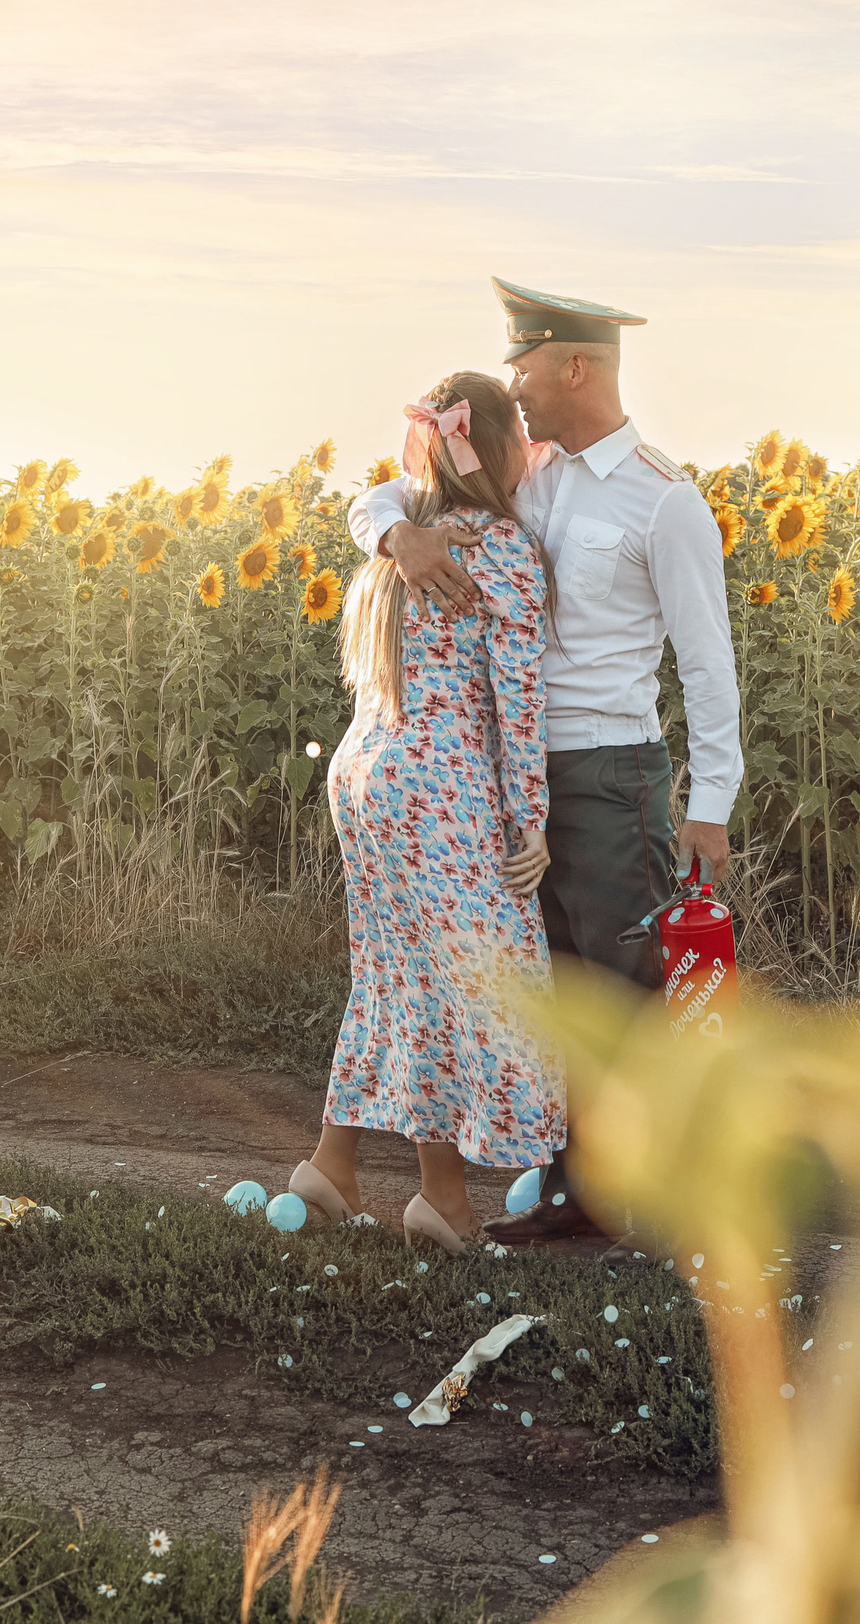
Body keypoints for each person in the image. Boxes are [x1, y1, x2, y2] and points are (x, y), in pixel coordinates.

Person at [347, 276, 743, 1248]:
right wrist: (399, 536)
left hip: (611, 773)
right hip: (508, 782)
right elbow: (381, 497)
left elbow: (706, 661)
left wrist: (712, 800)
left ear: (575, 365)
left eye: (523, 363)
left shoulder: (664, 501)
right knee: (555, 990)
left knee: (625, 989)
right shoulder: (527, 471)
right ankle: (582, 1193)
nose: (511, 383)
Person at [285, 371, 561, 1256]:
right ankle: (440, 1198)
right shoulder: (499, 550)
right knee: (469, 980)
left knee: (397, 973)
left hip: (367, 775)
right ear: (499, 443)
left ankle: (332, 1166)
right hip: (440, 786)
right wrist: (534, 820)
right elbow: (517, 703)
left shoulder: (406, 545)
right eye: (519, 430)